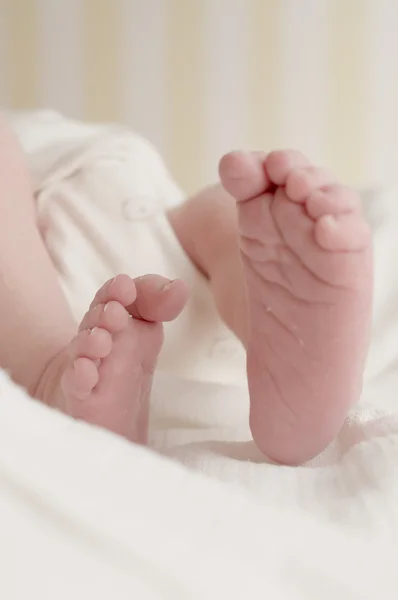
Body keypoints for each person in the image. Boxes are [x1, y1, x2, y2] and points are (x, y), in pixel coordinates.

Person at [0, 113, 372, 465]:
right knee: (215, 220)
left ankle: (262, 312)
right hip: (116, 219)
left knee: (217, 220)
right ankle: (49, 376)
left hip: (81, 224)